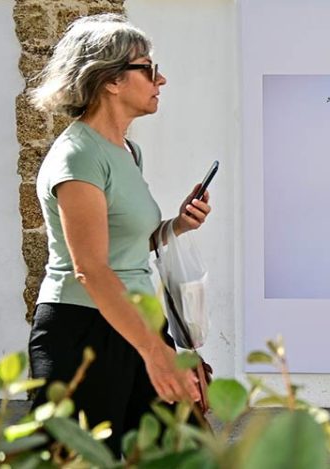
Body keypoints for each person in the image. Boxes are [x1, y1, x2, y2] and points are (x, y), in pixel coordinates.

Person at [27, 14, 210, 456]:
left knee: (185, 454)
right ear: (110, 80)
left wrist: (176, 226)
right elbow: (90, 267)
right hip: (83, 331)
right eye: (147, 68)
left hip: (134, 321)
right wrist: (157, 353)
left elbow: (124, 245)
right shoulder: (77, 157)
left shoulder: (127, 151)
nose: (159, 78)